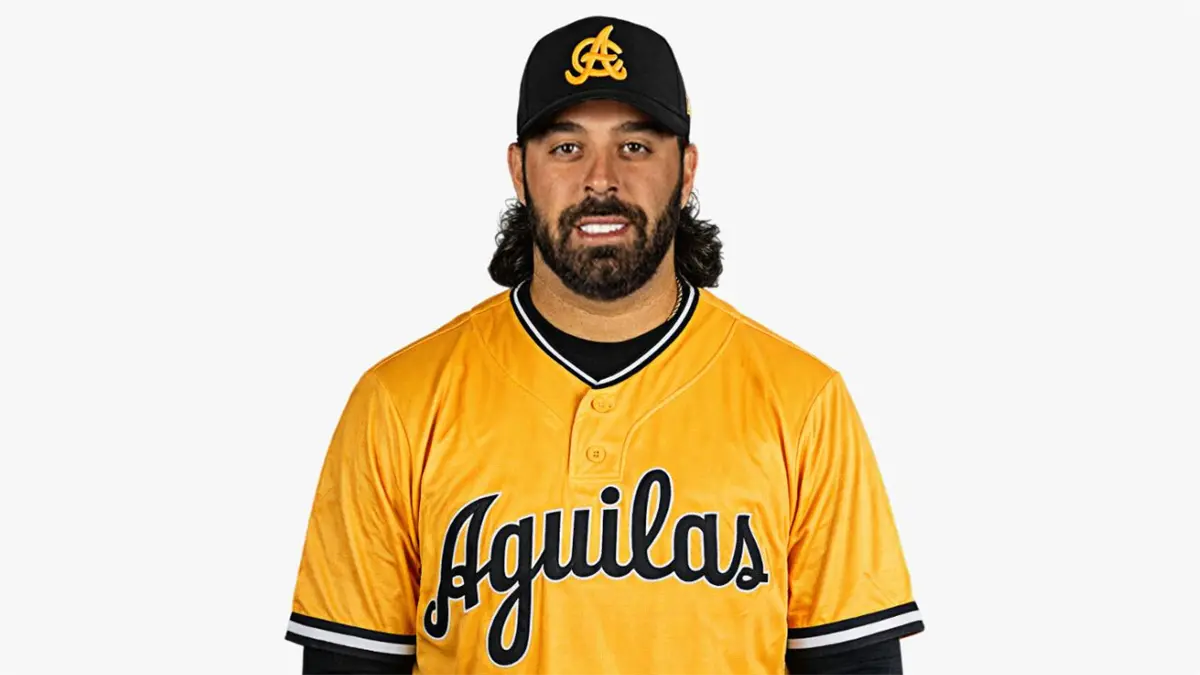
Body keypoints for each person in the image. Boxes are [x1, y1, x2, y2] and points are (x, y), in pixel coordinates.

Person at [284, 15, 924, 675]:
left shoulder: (804, 402)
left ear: (686, 169)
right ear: (519, 170)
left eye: (635, 146)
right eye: (566, 147)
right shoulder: (398, 401)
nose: (600, 178)